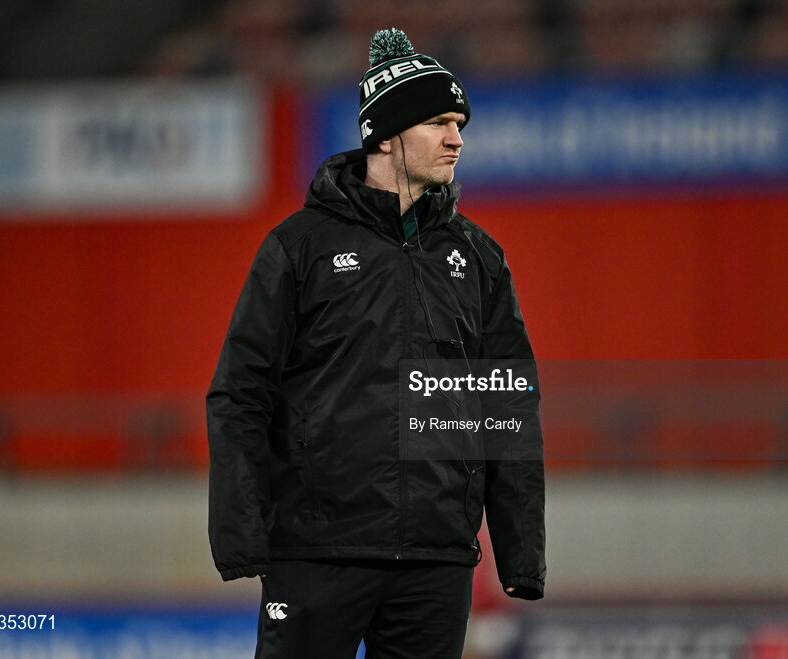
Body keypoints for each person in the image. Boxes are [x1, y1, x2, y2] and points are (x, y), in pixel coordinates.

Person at [207, 28, 545, 658]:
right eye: (439, 121)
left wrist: (520, 555)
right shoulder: (297, 247)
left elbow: (506, 410)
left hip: (436, 560)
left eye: (460, 122)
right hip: (315, 553)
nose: (457, 138)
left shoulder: (478, 258)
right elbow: (240, 394)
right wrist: (242, 534)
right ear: (385, 135)